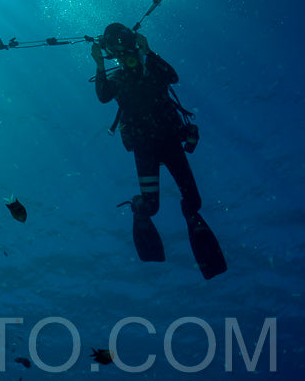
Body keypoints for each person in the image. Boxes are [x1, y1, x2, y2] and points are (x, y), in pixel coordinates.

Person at [90, 22, 226, 279]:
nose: (124, 51)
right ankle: (139, 208)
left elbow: (172, 76)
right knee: (151, 207)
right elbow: (103, 95)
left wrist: (148, 50)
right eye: (117, 46)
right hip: (146, 149)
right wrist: (98, 64)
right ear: (112, 52)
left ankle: (194, 233)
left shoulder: (151, 67)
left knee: (194, 203)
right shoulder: (117, 78)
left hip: (170, 143)